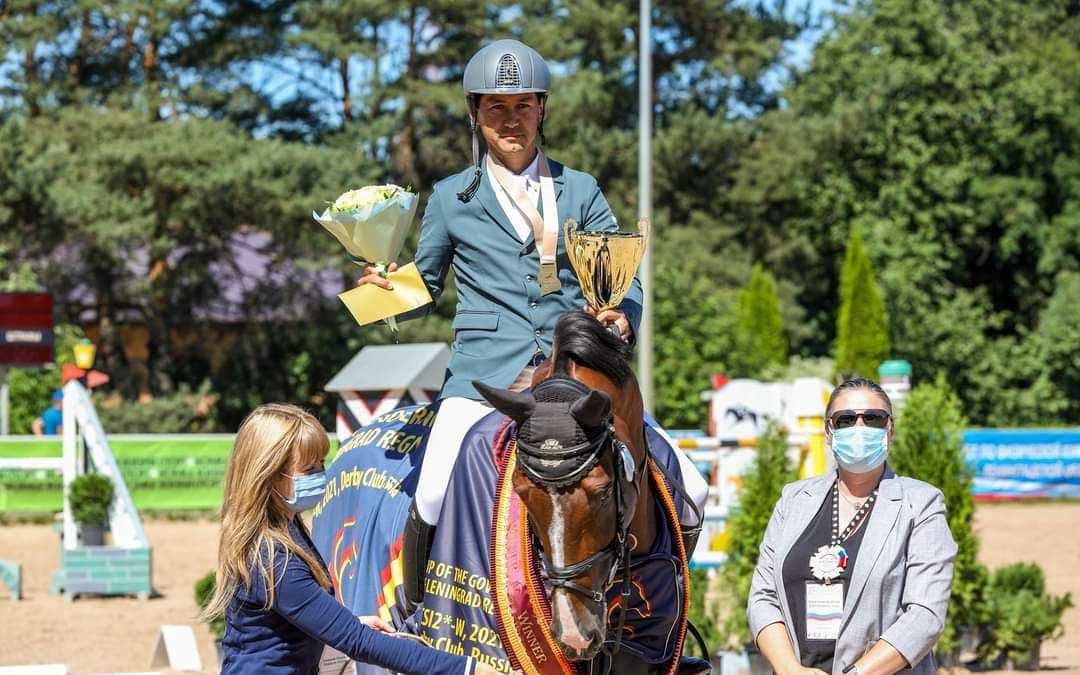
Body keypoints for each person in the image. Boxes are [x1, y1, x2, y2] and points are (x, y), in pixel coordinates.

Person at [356, 38, 708, 533]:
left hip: (574, 372)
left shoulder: (580, 189)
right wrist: (383, 293)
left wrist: (622, 316)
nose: (511, 120)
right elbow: (427, 285)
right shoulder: (451, 198)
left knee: (694, 490)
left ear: (541, 110)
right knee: (432, 493)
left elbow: (621, 276)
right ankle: (420, 587)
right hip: (485, 375)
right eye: (496, 107)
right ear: (475, 114)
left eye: (523, 105)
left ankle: (661, 586)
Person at [199, 403, 511, 675]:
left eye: (322, 463)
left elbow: (299, 618)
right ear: (269, 476)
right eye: (308, 469)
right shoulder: (274, 560)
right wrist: (466, 669)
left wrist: (351, 621)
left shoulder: (288, 528)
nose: (321, 474)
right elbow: (357, 642)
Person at [747, 378, 957, 675]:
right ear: (829, 432)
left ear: (890, 430)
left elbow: (925, 615)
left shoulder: (920, 504)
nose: (859, 427)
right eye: (845, 419)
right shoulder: (794, 499)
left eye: (873, 418)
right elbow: (763, 597)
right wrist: (789, 669)